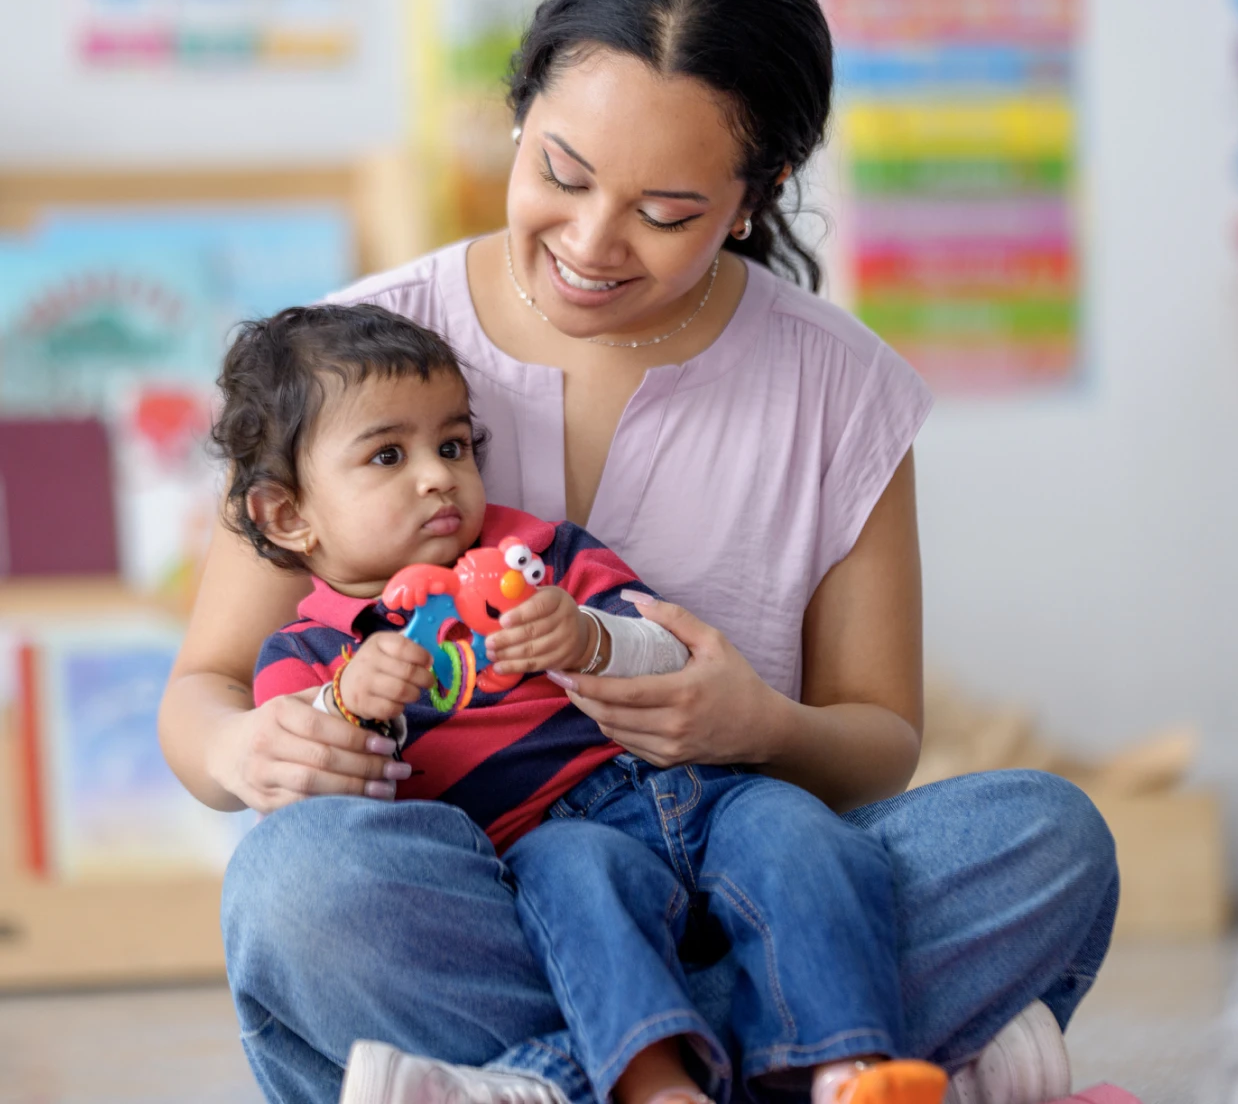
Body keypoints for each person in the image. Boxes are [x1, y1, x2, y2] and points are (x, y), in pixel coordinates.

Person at [159, 0, 1117, 1104]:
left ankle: (540, 1084)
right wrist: (241, 747)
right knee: (302, 886)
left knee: (1045, 837)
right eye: (560, 173)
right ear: (519, 115)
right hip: (481, 899)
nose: (590, 244)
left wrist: (757, 723)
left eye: (664, 211)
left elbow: (879, 743)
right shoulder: (355, 363)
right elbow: (203, 690)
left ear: (754, 196)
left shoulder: (841, 390)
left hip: (751, 873)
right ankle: (816, 1062)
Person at [215, 301, 950, 1104]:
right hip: (539, 843)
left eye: (453, 444)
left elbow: (670, 651)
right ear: (288, 515)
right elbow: (328, 824)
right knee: (581, 890)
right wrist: (354, 706)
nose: (437, 474)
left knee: (808, 835)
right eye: (388, 455)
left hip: (697, 788)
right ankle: (657, 1085)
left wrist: (590, 638)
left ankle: (844, 1068)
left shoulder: (539, 555)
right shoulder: (306, 655)